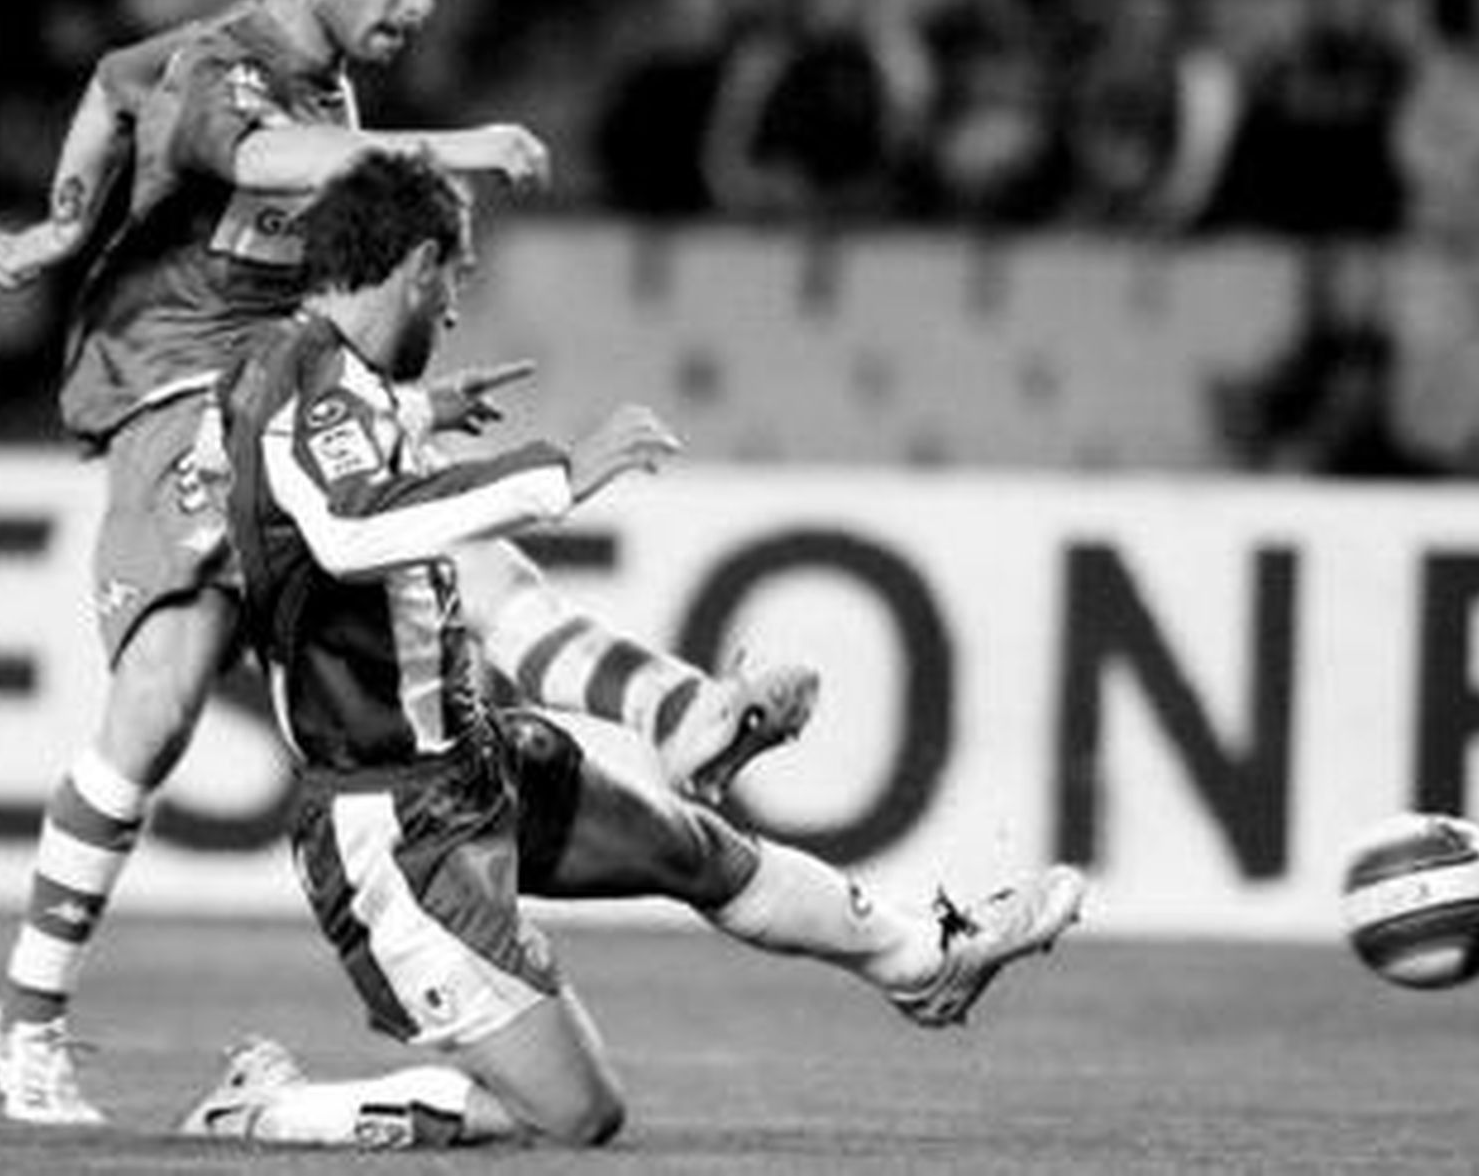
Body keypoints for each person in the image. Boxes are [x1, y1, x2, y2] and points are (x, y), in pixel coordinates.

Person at [0, 0, 817, 1127]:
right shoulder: (235, 65)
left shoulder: (309, 76)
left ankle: (677, 707)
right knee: (156, 705)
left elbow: (106, 85)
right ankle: (26, 1018)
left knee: (451, 554)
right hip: (179, 396)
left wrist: (60, 218)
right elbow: (258, 151)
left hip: (280, 385)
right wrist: (447, 144)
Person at [172, 148, 1087, 1149]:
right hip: (388, 825)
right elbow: (347, 522)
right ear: (421, 262)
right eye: (458, 282)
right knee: (573, 1114)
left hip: (475, 762)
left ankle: (927, 956)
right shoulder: (306, 388)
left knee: (701, 853)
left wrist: (422, 410)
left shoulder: (323, 383)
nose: (455, 311)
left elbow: (313, 480)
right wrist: (563, 468)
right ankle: (267, 1105)